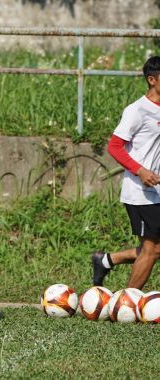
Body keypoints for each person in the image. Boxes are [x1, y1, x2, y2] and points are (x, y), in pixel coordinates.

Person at [92, 56, 160, 290]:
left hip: (157, 191)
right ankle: (126, 304)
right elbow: (114, 146)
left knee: (155, 248)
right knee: (152, 250)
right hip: (141, 192)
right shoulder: (137, 110)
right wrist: (140, 171)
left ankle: (107, 260)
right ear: (152, 80)